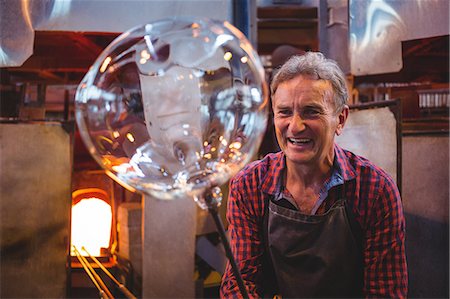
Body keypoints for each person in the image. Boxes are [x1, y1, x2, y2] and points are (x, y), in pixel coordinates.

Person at [220, 52, 407, 298]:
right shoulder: (249, 185)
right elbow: (240, 284)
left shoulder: (374, 190)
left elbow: (385, 293)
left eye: (311, 112)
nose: (295, 126)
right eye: (284, 112)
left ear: (340, 119)